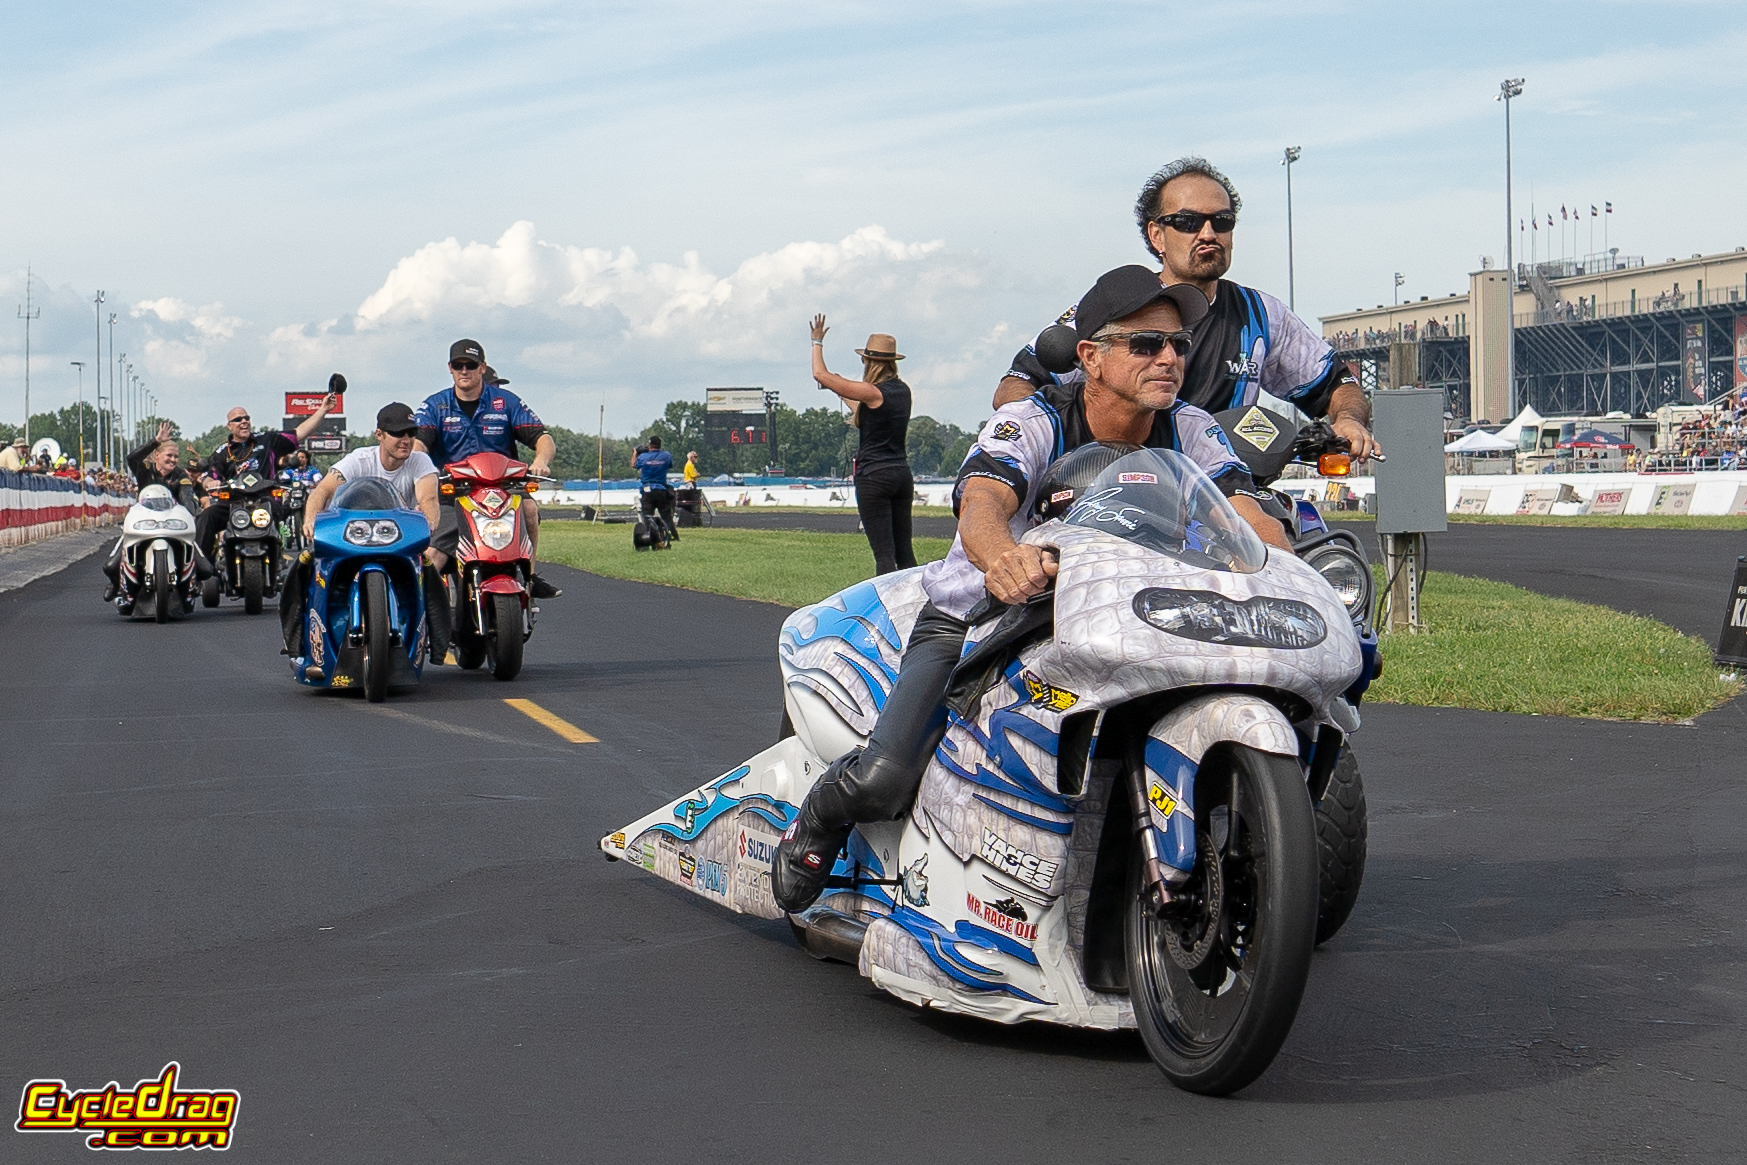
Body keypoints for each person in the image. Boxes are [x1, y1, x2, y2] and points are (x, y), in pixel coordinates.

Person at [771, 265, 1292, 912]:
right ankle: (816, 820)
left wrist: (1280, 565)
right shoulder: (1033, 417)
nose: (1168, 357)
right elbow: (983, 503)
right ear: (1090, 357)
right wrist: (1005, 560)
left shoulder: (1190, 426)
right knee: (885, 775)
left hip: (1121, 617)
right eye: (1145, 344)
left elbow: (1245, 507)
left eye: (1178, 345)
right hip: (984, 616)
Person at [994, 156, 1380, 463]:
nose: (1208, 233)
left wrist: (1346, 419)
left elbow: (1338, 385)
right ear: (1156, 235)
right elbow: (1015, 386)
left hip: (1226, 501)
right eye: (1189, 222)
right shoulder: (1112, 306)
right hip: (1120, 496)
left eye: (1222, 221)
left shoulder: (1263, 314)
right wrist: (1062, 445)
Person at [413, 339, 562, 598]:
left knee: (529, 508)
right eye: (458, 365)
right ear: (450, 368)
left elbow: (542, 437)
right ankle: (417, 614)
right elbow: (418, 446)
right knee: (432, 555)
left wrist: (541, 461)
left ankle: (530, 574)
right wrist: (418, 471)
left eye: (470, 365)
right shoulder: (435, 406)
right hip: (452, 494)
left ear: (482, 368)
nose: (464, 371)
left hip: (503, 489)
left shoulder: (506, 403)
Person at [810, 316, 916, 574]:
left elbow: (819, 374)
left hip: (874, 477)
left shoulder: (872, 392)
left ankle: (886, 608)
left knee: (883, 556)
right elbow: (866, 412)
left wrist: (817, 342)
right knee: (905, 554)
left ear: (869, 362)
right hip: (901, 475)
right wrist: (842, 391)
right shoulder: (901, 391)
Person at [195, 392, 340, 560]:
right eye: (238, 419)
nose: (244, 421)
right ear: (229, 426)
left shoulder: (266, 440)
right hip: (233, 504)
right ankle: (201, 567)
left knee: (284, 507)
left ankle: (277, 553)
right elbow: (209, 476)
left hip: (264, 500)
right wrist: (210, 482)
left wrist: (323, 409)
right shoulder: (221, 452)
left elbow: (299, 433)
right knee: (207, 516)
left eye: (246, 418)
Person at [102, 422, 214, 600]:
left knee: (206, 569)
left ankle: (190, 584)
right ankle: (116, 585)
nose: (173, 460)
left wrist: (190, 514)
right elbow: (132, 458)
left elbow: (186, 496)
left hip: (171, 522)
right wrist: (155, 441)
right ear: (156, 456)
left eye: (176, 457)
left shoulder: (181, 476)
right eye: (169, 455)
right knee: (109, 566)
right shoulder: (145, 470)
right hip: (144, 521)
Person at [634, 436, 677, 539]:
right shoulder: (666, 455)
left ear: (649, 445)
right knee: (666, 515)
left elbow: (634, 465)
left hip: (647, 489)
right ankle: (672, 535)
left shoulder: (643, 457)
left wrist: (635, 453)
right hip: (661, 488)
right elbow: (669, 465)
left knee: (647, 515)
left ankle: (649, 535)